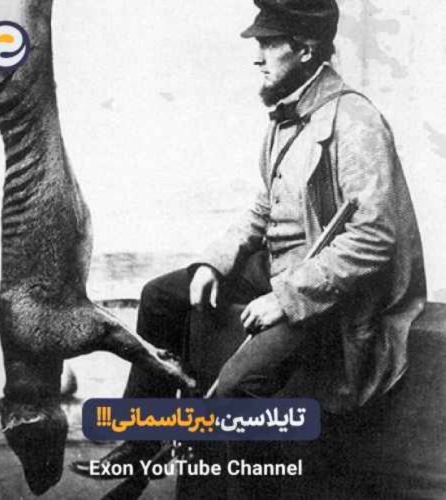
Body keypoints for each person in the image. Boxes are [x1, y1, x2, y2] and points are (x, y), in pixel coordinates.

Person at [72, 0, 426, 475]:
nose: (257, 57)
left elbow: (375, 238)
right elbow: (265, 208)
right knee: (160, 297)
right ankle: (139, 448)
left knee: (236, 387)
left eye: (268, 44)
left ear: (305, 50)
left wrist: (286, 297)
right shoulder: (290, 114)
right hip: (281, 266)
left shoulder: (356, 122)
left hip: (329, 295)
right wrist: (214, 262)